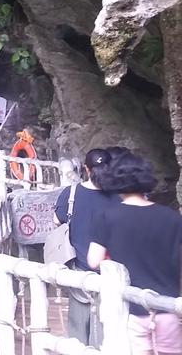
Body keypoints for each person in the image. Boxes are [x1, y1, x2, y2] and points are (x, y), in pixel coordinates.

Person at [88, 152, 182, 355]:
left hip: (129, 310)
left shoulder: (107, 216)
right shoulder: (172, 218)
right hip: (169, 308)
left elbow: (93, 261)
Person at [53, 148, 117, 346]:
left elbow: (57, 220)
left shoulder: (71, 193)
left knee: (78, 332)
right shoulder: (118, 198)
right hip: (111, 272)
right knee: (105, 332)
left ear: (85, 169)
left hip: (79, 270)